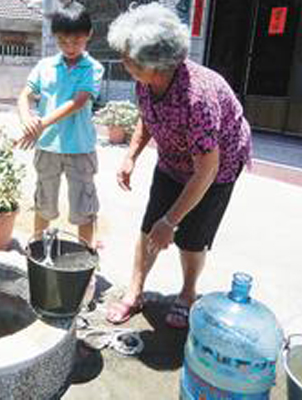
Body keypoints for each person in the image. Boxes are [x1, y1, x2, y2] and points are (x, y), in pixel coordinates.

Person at [105, 3, 252, 328]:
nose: (124, 63)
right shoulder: (145, 81)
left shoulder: (196, 98)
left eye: (129, 59)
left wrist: (171, 221)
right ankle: (135, 291)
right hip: (173, 160)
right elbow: (148, 117)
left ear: (157, 65)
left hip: (216, 170)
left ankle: (187, 293)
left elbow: (206, 171)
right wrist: (131, 156)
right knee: (148, 227)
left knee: (191, 236)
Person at [17, 2, 104, 248]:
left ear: (88, 35)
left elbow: (78, 102)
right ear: (55, 37)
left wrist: (41, 123)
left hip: (80, 148)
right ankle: (36, 249)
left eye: (76, 41)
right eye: (63, 41)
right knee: (44, 202)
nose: (69, 47)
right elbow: (24, 95)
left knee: (83, 207)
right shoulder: (45, 66)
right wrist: (27, 121)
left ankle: (87, 256)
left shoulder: (93, 68)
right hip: (47, 148)